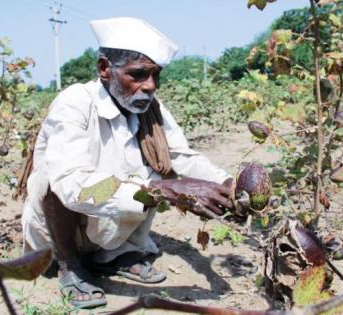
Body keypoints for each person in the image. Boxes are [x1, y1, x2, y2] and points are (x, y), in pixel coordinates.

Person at [21, 17, 234, 308]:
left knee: (158, 170)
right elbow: (72, 186)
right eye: (138, 74)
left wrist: (227, 184)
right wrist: (170, 191)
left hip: (107, 229)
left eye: (156, 75)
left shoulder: (150, 108)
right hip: (63, 230)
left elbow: (183, 157)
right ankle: (70, 266)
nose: (150, 86)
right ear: (105, 69)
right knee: (53, 180)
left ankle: (114, 255)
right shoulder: (75, 103)